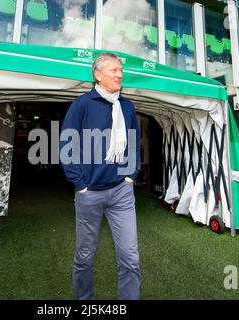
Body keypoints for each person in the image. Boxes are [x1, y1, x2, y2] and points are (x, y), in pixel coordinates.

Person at [60, 52, 141, 300]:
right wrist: (80, 183)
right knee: (84, 256)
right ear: (97, 74)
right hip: (89, 193)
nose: (120, 74)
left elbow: (133, 143)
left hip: (121, 192)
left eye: (120, 70)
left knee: (130, 257)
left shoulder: (126, 106)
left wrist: (130, 177)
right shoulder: (82, 104)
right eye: (114, 70)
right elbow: (66, 143)